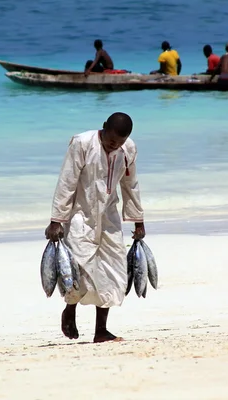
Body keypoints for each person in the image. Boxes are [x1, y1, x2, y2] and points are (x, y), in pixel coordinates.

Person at [45, 112, 146, 343]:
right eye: (112, 140)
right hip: (81, 215)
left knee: (112, 269)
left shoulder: (128, 149)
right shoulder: (82, 143)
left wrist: (138, 220)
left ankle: (101, 330)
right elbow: (67, 181)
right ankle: (70, 309)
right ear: (104, 128)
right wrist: (56, 219)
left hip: (110, 217)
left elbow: (131, 184)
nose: (115, 145)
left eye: (120, 142)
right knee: (80, 267)